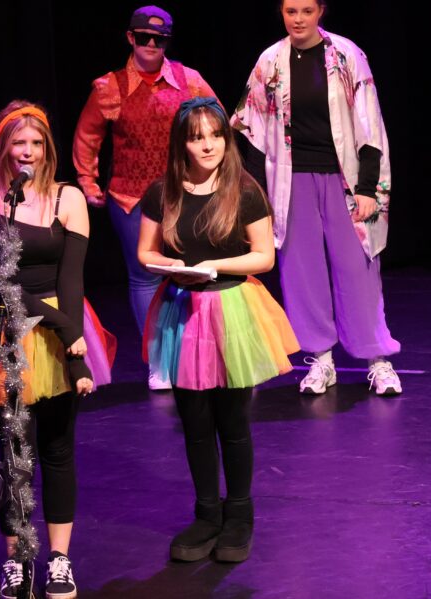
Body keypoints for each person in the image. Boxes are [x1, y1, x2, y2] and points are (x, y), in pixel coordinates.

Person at [0, 101, 116, 599]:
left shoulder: (68, 198)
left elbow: (71, 277)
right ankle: (17, 559)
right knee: (12, 454)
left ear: (48, 147)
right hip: (9, 330)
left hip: (56, 332)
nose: (28, 151)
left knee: (58, 449)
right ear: (2, 148)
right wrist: (67, 326)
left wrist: (74, 352)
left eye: (36, 143)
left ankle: (60, 560)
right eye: (18, 143)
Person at [137, 97, 299, 563]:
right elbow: (145, 252)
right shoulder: (162, 191)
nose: (207, 144)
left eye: (215, 134)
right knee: (193, 419)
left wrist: (212, 266)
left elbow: (263, 256)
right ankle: (207, 512)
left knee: (231, 417)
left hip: (230, 306)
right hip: (182, 306)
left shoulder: (244, 190)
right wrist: (172, 267)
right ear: (182, 143)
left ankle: (239, 513)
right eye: (196, 136)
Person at [231, 0, 402, 396]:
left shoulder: (346, 55)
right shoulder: (270, 60)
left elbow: (369, 123)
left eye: (306, 10)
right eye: (291, 11)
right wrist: (257, 194)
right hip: (292, 180)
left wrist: (368, 189)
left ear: (320, 10)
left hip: (344, 178)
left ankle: (377, 358)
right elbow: (251, 129)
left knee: (356, 266)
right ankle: (320, 357)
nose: (298, 19)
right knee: (300, 271)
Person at [73, 6, 216, 388]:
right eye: (143, 37)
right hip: (131, 197)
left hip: (184, 195)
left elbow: (216, 125)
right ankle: (158, 362)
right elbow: (88, 137)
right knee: (144, 277)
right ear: (130, 37)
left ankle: (195, 352)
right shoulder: (110, 86)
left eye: (159, 39)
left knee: (192, 272)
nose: (151, 45)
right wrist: (88, 182)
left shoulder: (191, 80)